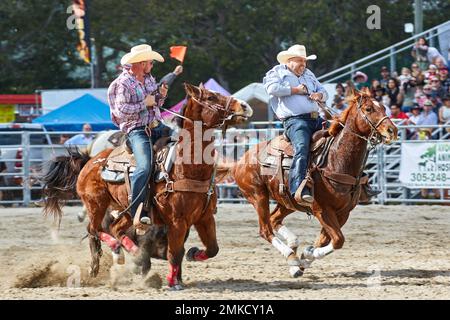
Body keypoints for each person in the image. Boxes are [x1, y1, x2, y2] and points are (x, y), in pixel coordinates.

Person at [107, 44, 181, 231]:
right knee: (145, 166)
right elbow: (121, 111)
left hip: (158, 127)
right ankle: (137, 209)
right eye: (150, 61)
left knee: (186, 145)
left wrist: (160, 97)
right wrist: (144, 103)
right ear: (140, 63)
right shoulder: (122, 83)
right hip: (137, 130)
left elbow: (155, 103)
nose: (152, 65)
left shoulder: (148, 79)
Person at [263, 44, 328, 206]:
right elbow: (271, 89)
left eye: (305, 61)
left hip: (316, 118)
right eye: (300, 61)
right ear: (290, 61)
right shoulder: (277, 72)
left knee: (341, 137)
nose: (303, 65)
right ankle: (297, 187)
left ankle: (357, 181)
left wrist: (319, 94)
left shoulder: (309, 74)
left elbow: (324, 91)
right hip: (295, 121)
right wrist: (295, 90)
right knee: (302, 147)